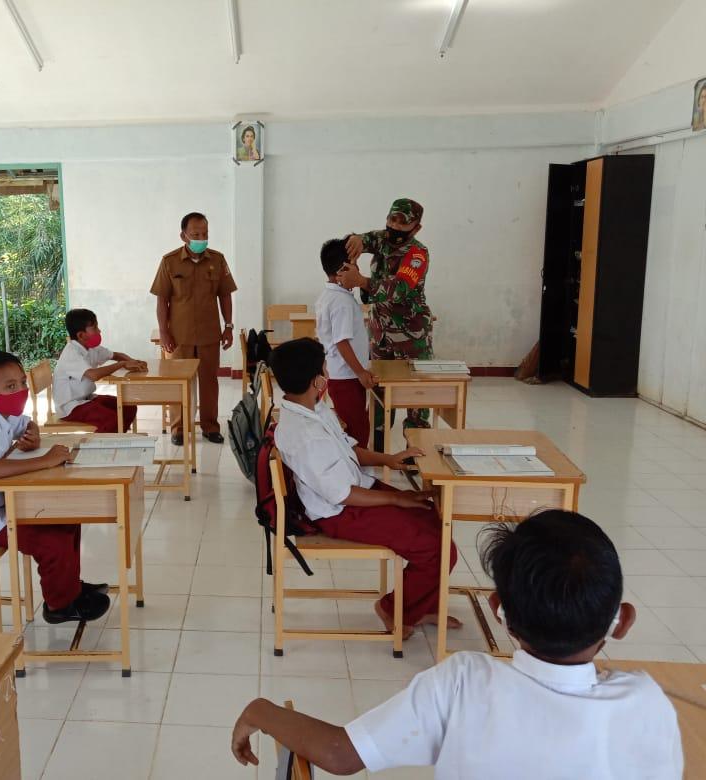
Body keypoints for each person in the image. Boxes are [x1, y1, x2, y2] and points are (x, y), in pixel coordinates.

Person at [231, 510, 684, 779]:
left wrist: (260, 710)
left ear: (498, 609)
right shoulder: (648, 704)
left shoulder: (464, 682)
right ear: (622, 622)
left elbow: (340, 754)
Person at [269, 337, 457, 636]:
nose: (328, 373)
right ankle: (394, 609)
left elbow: (348, 449)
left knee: (435, 518)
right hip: (341, 512)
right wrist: (396, 500)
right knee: (438, 547)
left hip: (357, 491)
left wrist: (388, 459)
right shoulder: (306, 435)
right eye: (325, 369)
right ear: (317, 380)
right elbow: (342, 495)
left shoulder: (315, 409)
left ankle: (421, 603)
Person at [0, 349, 110, 624]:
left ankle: (70, 587)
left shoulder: (3, 414)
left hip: (5, 501)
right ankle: (59, 605)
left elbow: (27, 424)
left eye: (22, 382)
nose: (21, 391)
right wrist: (45, 460)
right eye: (10, 386)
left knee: (68, 518)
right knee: (52, 541)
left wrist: (32, 435)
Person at [345, 198, 433, 450]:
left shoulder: (417, 254)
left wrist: (362, 281)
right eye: (391, 219)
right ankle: (380, 455)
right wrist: (355, 240)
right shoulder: (382, 239)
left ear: (416, 228)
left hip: (411, 337)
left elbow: (400, 288)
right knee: (379, 396)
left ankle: (416, 458)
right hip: (381, 335)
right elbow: (363, 240)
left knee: (417, 401)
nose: (394, 226)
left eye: (402, 222)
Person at [151, 212, 237, 445]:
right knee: (179, 382)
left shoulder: (217, 260)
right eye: (196, 234)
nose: (201, 238)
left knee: (210, 382)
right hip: (180, 336)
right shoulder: (169, 262)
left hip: (209, 334)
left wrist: (228, 326)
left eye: (205, 234)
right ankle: (179, 429)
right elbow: (162, 300)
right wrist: (164, 332)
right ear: (184, 236)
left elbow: (225, 295)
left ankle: (210, 426)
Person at [315, 237, 377, 446]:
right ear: (343, 269)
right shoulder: (341, 301)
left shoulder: (330, 296)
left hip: (341, 374)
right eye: (355, 265)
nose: (358, 271)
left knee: (355, 427)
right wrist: (361, 372)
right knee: (357, 432)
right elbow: (341, 342)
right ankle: (355, 466)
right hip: (347, 377)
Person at [54, 308, 148, 433]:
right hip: (70, 407)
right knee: (110, 419)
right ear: (81, 335)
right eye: (94, 328)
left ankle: (118, 438)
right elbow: (93, 375)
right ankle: (102, 443)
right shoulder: (71, 353)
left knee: (129, 407)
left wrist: (134, 362)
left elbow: (116, 355)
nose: (99, 331)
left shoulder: (91, 348)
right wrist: (122, 364)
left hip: (88, 398)